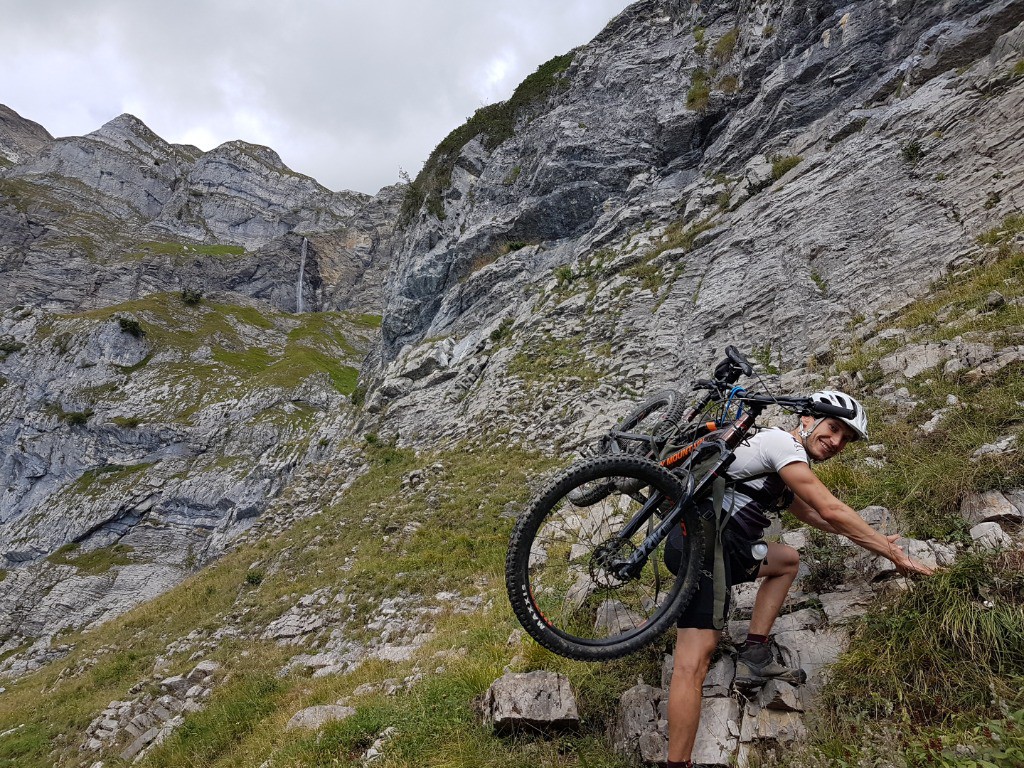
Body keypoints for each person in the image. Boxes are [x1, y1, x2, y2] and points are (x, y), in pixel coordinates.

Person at [664, 390, 935, 768]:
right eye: (834, 428)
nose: (837, 441)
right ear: (807, 420)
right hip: (706, 548)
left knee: (786, 559)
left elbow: (818, 517)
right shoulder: (781, 444)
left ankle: (754, 654)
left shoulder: (779, 465)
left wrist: (869, 537)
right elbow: (831, 507)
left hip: (725, 547)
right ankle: (679, 763)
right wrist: (890, 553)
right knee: (693, 663)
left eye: (846, 438)